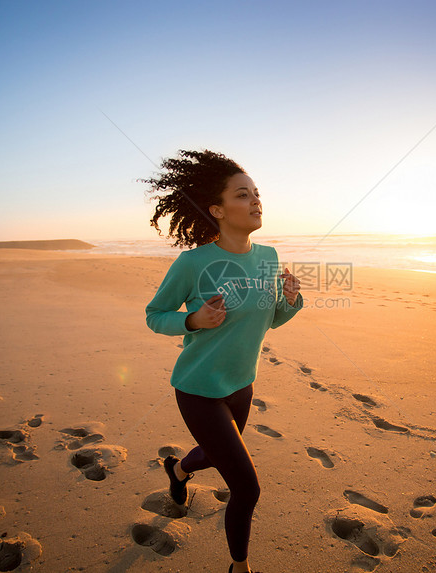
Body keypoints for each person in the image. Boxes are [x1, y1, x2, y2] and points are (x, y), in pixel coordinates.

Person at [144, 149, 302, 573]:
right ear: (217, 209)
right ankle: (239, 567)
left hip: (240, 386)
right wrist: (193, 319)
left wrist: (291, 300)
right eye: (242, 195)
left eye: (257, 193)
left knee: (213, 456)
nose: (255, 201)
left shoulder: (268, 257)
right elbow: (154, 315)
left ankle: (177, 470)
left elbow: (270, 320)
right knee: (246, 489)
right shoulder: (193, 263)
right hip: (197, 388)